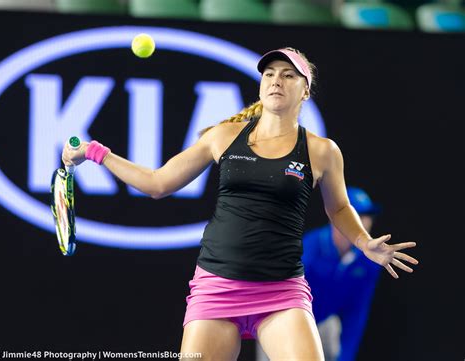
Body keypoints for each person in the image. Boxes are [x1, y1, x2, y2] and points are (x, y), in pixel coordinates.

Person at [62, 47, 418, 361]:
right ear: (262, 84)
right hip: (217, 287)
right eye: (269, 74)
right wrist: (95, 152)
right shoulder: (223, 136)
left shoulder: (322, 150)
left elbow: (338, 208)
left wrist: (363, 242)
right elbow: (158, 183)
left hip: (281, 292)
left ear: (304, 90)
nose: (276, 80)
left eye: (288, 75)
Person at [302, 186, 383, 361]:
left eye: (367, 215)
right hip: (289, 320)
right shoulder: (309, 247)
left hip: (324, 322)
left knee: (333, 328)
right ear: (336, 217)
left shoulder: (368, 262)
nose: (365, 222)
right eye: (358, 215)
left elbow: (356, 314)